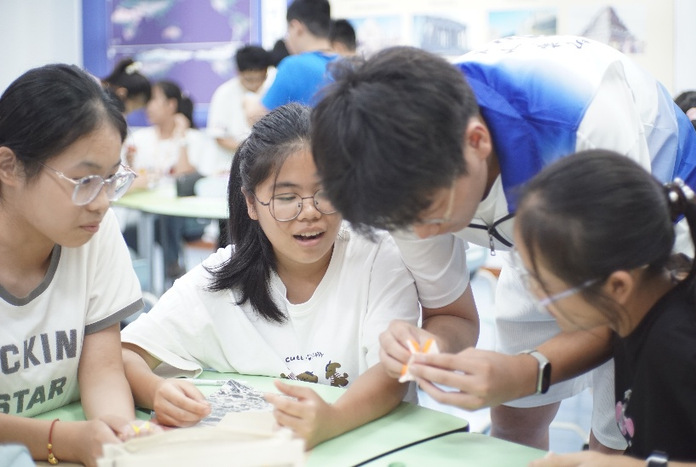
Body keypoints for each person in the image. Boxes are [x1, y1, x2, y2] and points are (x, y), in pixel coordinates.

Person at [310, 36, 696, 451]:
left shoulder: (586, 125)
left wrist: (527, 372)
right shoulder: (403, 177)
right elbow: (451, 314)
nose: (421, 234)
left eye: (430, 212)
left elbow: (623, 302)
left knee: (617, 432)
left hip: (640, 237)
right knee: (513, 418)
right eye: (399, 224)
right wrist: (429, 349)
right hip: (540, 237)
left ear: (477, 142)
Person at [120, 103, 420, 449]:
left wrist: (334, 420)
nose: (310, 212)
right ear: (250, 203)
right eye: (286, 197)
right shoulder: (221, 279)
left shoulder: (377, 257)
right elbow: (125, 355)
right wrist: (157, 391)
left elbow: (394, 372)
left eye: (326, 192)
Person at [0, 64, 148, 466]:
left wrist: (119, 437)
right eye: (84, 182)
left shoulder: (94, 230)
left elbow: (103, 369)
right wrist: (61, 440)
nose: (101, 202)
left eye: (111, 179)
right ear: (9, 166)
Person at [518, 151, 696, 466]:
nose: (535, 295)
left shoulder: (678, 348)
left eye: (544, 283)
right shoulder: (634, 318)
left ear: (617, 286)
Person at [127, 80, 220, 279]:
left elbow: (183, 175)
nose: (148, 107)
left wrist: (181, 136)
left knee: (166, 219)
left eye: (154, 100)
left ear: (171, 104)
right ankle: (166, 270)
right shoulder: (140, 138)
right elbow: (133, 175)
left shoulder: (193, 138)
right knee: (131, 230)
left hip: (187, 216)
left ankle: (171, 267)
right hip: (148, 211)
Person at [245, 0, 336, 124]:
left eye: (288, 31)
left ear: (296, 27)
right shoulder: (351, 66)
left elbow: (258, 118)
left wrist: (249, 100)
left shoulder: (293, 67)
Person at [207, 45, 271, 159]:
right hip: (229, 161)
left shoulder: (271, 92)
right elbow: (220, 137)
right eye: (249, 80)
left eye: (260, 79)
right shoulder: (224, 93)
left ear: (266, 72)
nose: (255, 84)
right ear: (238, 72)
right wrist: (253, 150)